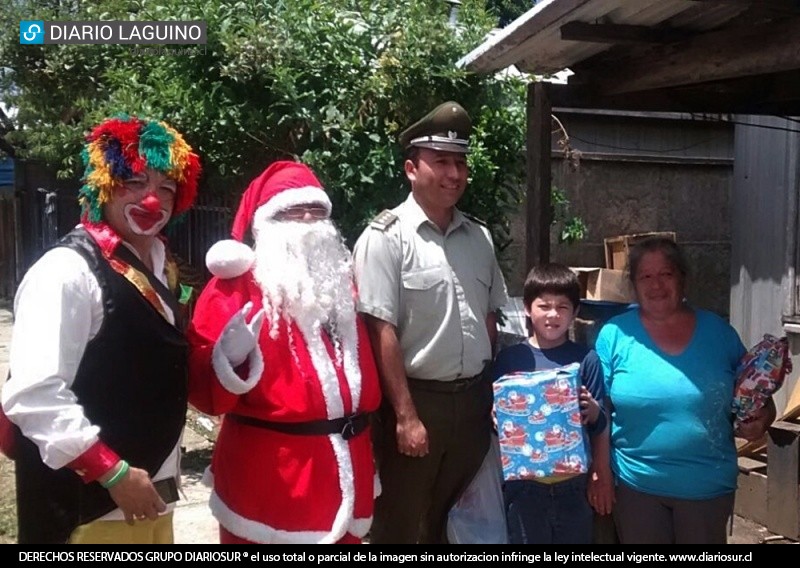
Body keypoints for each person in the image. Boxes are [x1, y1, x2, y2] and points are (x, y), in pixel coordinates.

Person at [1, 116, 202, 544]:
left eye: (166, 187)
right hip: (87, 510)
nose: (152, 200)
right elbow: (33, 394)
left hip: (150, 499)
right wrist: (112, 471)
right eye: (134, 181)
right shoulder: (66, 271)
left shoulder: (160, 265)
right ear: (104, 184)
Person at [187, 160, 381, 544]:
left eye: (317, 210)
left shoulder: (341, 286)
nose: (308, 220)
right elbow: (202, 390)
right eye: (293, 211)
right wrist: (228, 360)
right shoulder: (234, 287)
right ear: (264, 223)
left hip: (348, 471)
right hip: (272, 483)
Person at [353, 101, 509, 544]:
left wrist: (491, 393)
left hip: (473, 404)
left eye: (460, 163)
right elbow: (379, 329)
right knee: (400, 523)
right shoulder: (386, 238)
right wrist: (405, 416)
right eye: (441, 161)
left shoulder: (479, 237)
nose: (454, 174)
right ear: (410, 168)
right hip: (419, 402)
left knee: (455, 520)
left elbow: (490, 318)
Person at [594, 236, 776, 544]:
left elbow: (756, 397)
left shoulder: (719, 333)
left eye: (666, 274)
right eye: (646, 277)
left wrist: (761, 420)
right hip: (637, 486)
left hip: (706, 487)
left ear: (683, 279)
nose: (656, 285)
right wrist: (601, 474)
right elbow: (600, 411)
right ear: (634, 285)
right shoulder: (614, 335)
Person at [492, 263, 611, 544]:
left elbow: (601, 422)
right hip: (524, 488)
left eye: (562, 307)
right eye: (544, 306)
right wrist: (496, 419)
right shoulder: (510, 359)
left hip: (574, 488)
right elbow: (497, 422)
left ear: (575, 312)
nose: (553, 315)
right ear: (527, 308)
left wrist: (594, 412)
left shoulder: (586, 360)